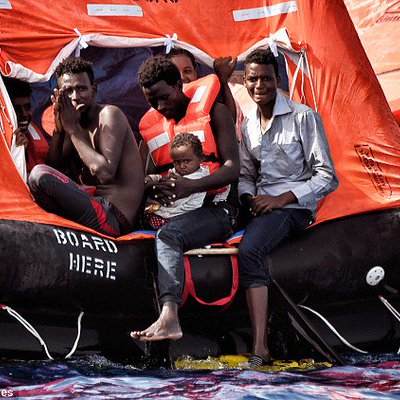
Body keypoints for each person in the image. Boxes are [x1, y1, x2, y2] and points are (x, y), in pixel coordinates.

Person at [238, 49, 339, 367]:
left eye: (265, 78)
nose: (259, 85)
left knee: (250, 251)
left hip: (293, 209)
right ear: (245, 81)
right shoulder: (247, 124)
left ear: (277, 79)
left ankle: (260, 348)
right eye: (252, 79)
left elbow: (327, 176)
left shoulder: (303, 117)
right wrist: (247, 199)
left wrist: (283, 199)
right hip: (261, 205)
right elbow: (245, 175)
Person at [131, 56, 239, 341]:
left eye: (164, 97)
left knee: (168, 236)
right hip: (175, 210)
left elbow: (232, 168)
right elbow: (146, 176)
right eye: (151, 101)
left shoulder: (216, 112)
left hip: (218, 209)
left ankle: (170, 317)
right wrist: (155, 188)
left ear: (178, 85)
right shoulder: (152, 127)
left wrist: (192, 187)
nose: (159, 107)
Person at [28, 57, 144, 237]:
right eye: (68, 91)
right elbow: (55, 170)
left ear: (94, 90)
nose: (75, 97)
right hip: (92, 207)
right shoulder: (74, 123)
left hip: (113, 217)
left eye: (81, 88)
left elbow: (105, 173)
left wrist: (73, 130)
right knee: (35, 180)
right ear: (59, 95)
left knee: (38, 173)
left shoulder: (109, 114)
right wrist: (59, 132)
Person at [144, 132, 228, 230]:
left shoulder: (201, 180)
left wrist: (166, 214)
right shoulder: (174, 173)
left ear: (200, 158)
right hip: (162, 213)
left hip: (180, 218)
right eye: (176, 162)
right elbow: (161, 178)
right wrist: (151, 178)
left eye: (186, 161)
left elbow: (192, 207)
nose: (182, 166)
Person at [166, 48, 243, 140]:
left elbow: (230, 125)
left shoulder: (215, 107)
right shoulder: (160, 109)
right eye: (175, 73)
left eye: (187, 71)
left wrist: (223, 81)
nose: (182, 77)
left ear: (195, 73)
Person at [3, 77, 49, 174]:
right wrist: (16, 153)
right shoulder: (3, 144)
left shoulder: (34, 133)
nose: (24, 114)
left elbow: (53, 167)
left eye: (27, 107)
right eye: (17, 109)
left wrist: (59, 133)